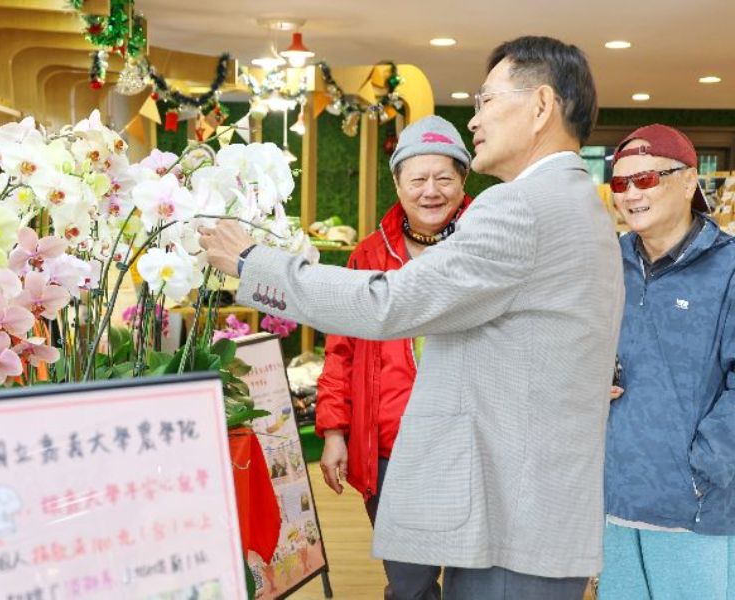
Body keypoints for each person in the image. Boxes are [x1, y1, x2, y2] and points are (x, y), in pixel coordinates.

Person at [200, 35, 624, 600]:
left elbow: (389, 302)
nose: (475, 120)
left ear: (541, 105)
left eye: (486, 101)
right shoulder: (580, 202)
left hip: (512, 518)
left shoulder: (519, 206)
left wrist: (253, 263)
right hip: (536, 507)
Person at [316, 115, 472, 599]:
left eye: (444, 178)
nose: (431, 191)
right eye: (418, 179)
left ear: (463, 180)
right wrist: (335, 431)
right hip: (391, 447)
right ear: (398, 183)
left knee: (475, 582)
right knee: (409, 585)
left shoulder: (489, 245)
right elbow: (341, 349)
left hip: (472, 447)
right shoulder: (368, 256)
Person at [600, 124, 735, 600]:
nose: (631, 194)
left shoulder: (729, 267)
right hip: (612, 501)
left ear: (688, 180)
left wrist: (702, 469)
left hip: (697, 510)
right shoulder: (605, 263)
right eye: (620, 183)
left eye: (646, 179)